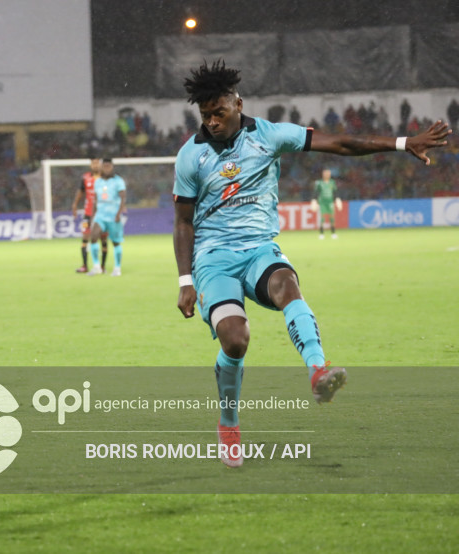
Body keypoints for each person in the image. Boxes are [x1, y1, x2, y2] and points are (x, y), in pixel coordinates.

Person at [173, 60, 451, 468]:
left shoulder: (269, 135)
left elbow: (340, 144)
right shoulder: (190, 156)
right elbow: (183, 222)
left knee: (287, 284)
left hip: (259, 250)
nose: (212, 122)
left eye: (219, 112)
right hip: (214, 258)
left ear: (238, 104)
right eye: (206, 115)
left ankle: (318, 371)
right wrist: (185, 279)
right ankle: (228, 423)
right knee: (235, 340)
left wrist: (401, 142)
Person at [88, 158, 126, 276]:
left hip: (113, 215)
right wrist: (92, 215)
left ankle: (117, 268)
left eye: (109, 166)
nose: (107, 169)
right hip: (100, 215)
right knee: (93, 237)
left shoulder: (118, 181)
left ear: (112, 167)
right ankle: (96, 266)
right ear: (101, 167)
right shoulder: (98, 182)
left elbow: (123, 198)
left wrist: (118, 214)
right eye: (104, 166)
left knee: (115, 242)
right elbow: (95, 200)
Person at [70, 157, 106, 273]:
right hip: (88, 214)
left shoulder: (105, 178)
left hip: (102, 214)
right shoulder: (85, 177)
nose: (95, 165)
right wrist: (75, 205)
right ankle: (84, 265)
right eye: (93, 163)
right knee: (85, 238)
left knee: (103, 239)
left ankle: (102, 267)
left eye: (97, 163)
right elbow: (80, 191)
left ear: (100, 164)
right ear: (90, 165)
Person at [312, 168, 341, 239]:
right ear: (323, 174)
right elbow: (316, 192)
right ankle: (321, 233)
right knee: (322, 217)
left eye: (328, 174)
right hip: (322, 201)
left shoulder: (332, 182)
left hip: (330, 201)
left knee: (332, 217)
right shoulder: (319, 182)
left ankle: (333, 232)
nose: (327, 175)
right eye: (325, 173)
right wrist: (314, 200)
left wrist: (337, 199)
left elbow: (335, 191)